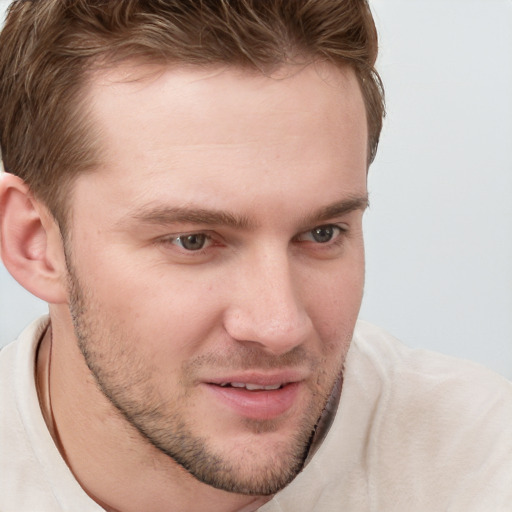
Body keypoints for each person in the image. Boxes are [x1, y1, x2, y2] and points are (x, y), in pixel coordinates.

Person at [0, 1, 510, 511]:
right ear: (35, 244)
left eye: (322, 233)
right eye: (193, 240)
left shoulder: (481, 465)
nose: (279, 325)